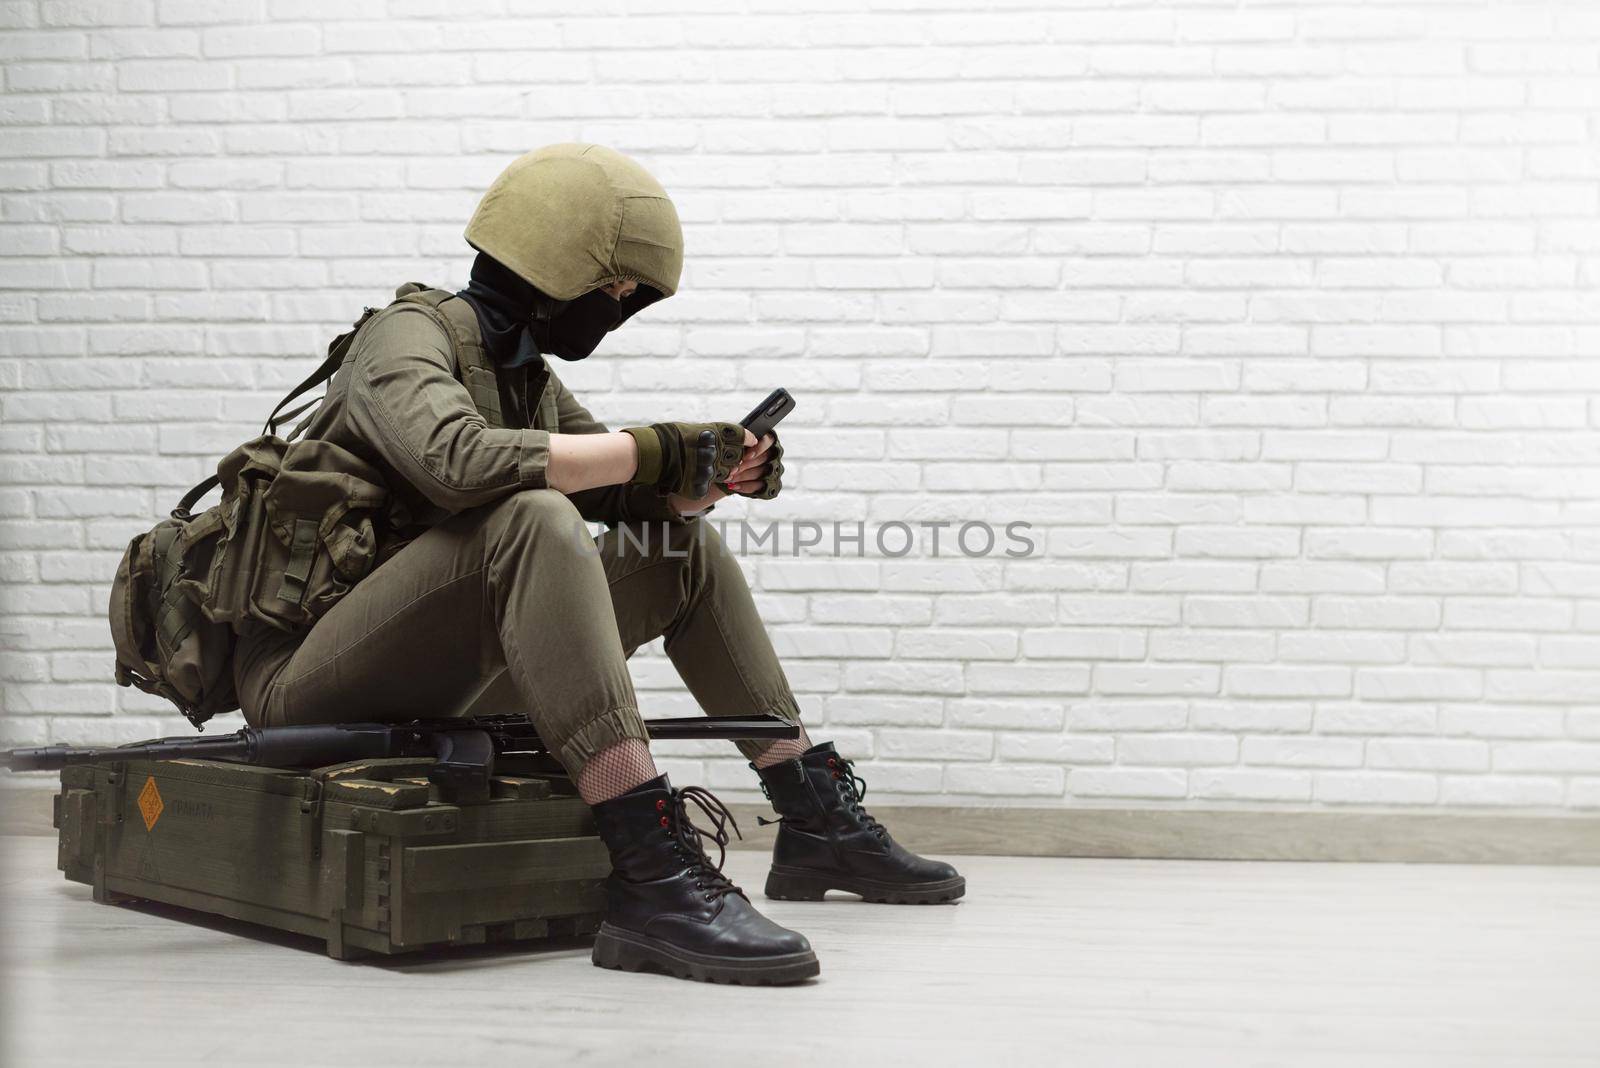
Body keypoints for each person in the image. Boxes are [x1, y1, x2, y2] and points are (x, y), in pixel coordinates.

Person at [229, 143, 964, 985]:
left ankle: (813, 816)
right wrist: (651, 449)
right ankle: (650, 867)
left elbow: (616, 486)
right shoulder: (405, 338)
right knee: (534, 516)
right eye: (617, 286)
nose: (620, 305)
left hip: (443, 681)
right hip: (308, 682)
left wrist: (705, 482)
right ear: (554, 260)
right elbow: (458, 462)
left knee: (679, 547)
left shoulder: (522, 375)